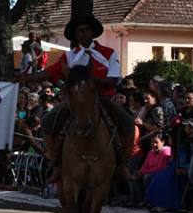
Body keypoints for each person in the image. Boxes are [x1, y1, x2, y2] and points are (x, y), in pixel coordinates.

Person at [18, 14, 136, 182]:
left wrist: (91, 81)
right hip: (75, 101)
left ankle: (123, 164)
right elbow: (50, 72)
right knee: (47, 121)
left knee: (128, 121)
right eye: (80, 31)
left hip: (103, 98)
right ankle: (56, 163)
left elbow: (114, 79)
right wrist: (26, 78)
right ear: (76, 35)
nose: (83, 34)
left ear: (93, 33)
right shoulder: (70, 56)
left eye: (86, 30)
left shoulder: (108, 53)